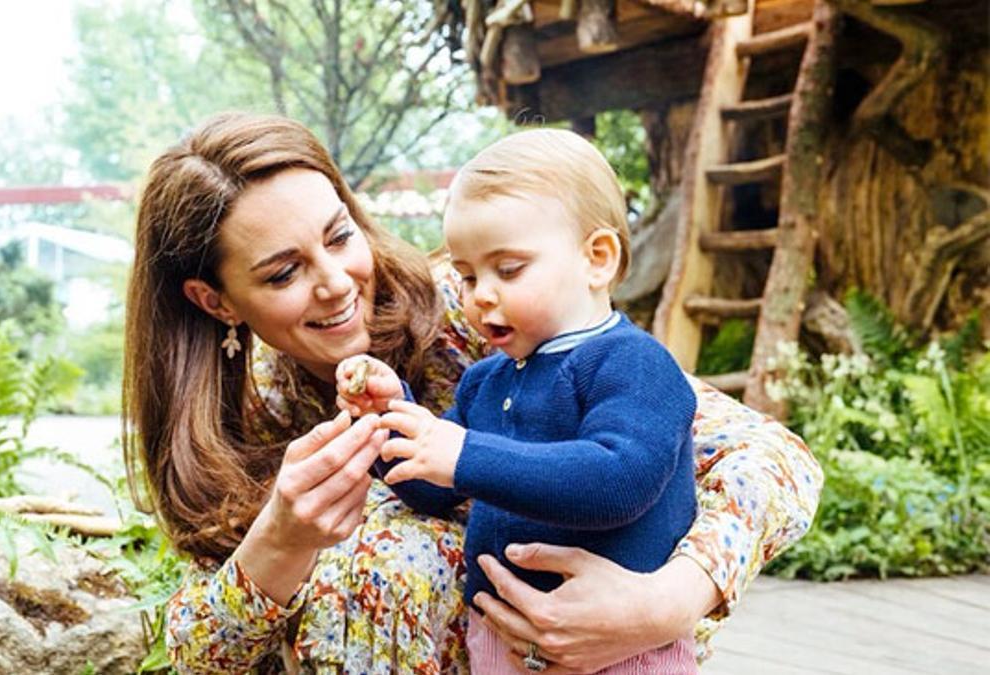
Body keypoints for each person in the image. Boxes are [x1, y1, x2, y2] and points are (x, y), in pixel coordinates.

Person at [123, 112, 823, 673]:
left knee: (386, 554)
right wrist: (279, 542)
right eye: (283, 273)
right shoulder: (241, 424)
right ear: (215, 301)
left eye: (340, 236)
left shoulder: (487, 312)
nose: (336, 281)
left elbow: (775, 458)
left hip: (613, 652)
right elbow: (196, 655)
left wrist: (668, 601)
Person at [333, 128, 699, 673]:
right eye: (466, 275)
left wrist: (463, 454)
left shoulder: (633, 363)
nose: (481, 294)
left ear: (596, 259)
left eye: (508, 269)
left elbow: (620, 479)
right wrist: (392, 421)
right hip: (501, 641)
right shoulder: (485, 382)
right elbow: (433, 491)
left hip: (620, 649)